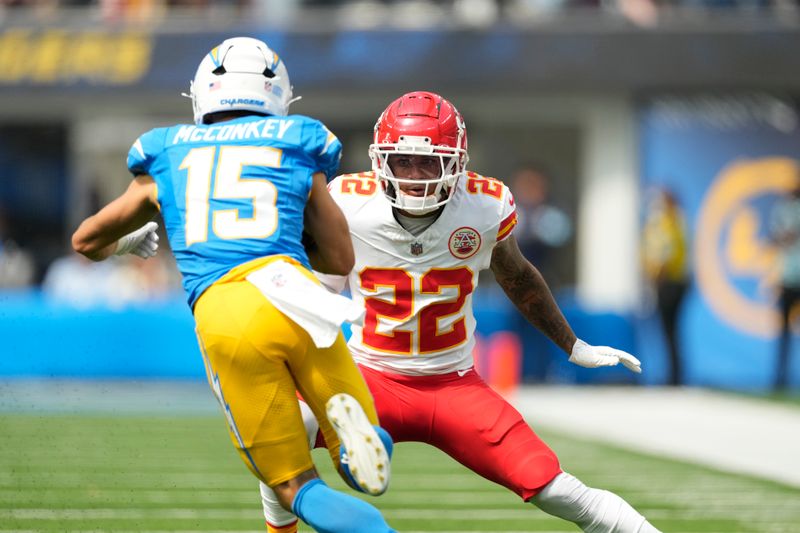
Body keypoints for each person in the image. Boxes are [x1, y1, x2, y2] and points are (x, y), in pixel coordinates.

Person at [259, 91, 661, 533]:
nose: (415, 176)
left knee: (557, 490)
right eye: (402, 162)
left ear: (456, 162)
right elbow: (321, 286)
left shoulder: (486, 205)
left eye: (429, 163)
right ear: (381, 161)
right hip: (368, 376)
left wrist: (573, 344)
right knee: (282, 431)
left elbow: (518, 277)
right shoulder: (348, 203)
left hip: (454, 387)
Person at [71, 37, 396, 533]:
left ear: (204, 93)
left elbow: (85, 240)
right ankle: (354, 440)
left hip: (229, 308)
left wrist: (126, 243)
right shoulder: (297, 140)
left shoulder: (165, 153)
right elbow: (340, 257)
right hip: (301, 298)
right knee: (364, 449)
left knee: (295, 487)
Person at [641, 187, 689, 386]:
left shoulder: (668, 223)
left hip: (668, 282)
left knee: (669, 330)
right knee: (671, 330)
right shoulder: (678, 222)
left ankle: (673, 377)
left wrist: (657, 278)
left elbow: (665, 255)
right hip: (676, 281)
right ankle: (674, 374)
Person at [769, 183, 800, 392]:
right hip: (787, 277)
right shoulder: (782, 210)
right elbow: (776, 238)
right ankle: (780, 378)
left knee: (784, 333)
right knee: (783, 332)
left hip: (793, 276)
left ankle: (780, 378)